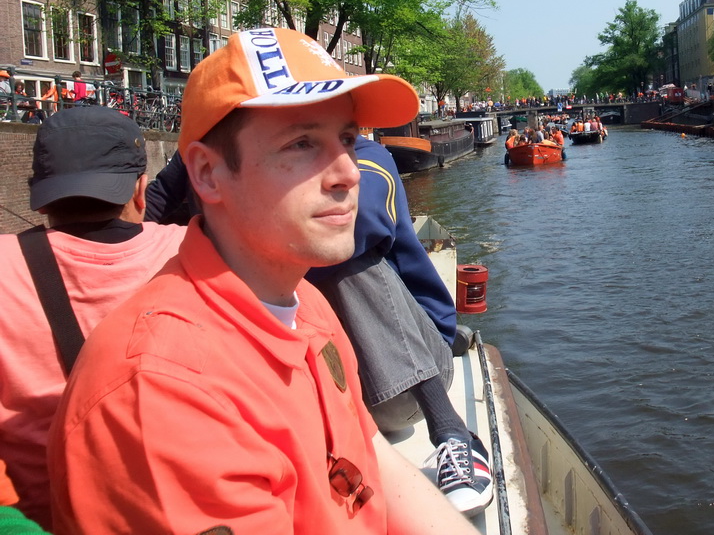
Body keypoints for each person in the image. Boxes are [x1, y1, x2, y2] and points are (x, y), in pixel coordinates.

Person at [47, 27, 478, 534]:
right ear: (207, 175)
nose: (349, 171)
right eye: (301, 143)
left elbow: (371, 457)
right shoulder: (162, 395)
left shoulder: (307, 307)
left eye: (347, 139)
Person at [0, 107, 186, 530]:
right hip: (167, 512)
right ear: (140, 190)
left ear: (40, 192)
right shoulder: (190, 252)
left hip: (41, 516)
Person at [307, 136, 492, 515]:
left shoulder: (371, 158)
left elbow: (358, 219)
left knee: (341, 254)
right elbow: (159, 200)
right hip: (324, 396)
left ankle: (451, 431)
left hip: (401, 385)